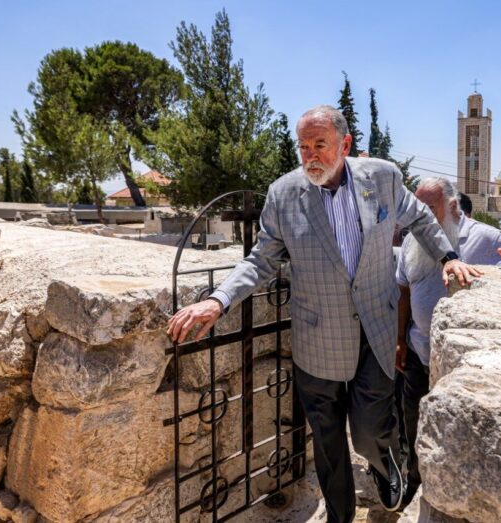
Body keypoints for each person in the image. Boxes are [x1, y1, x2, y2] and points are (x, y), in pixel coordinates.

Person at [167, 105, 481, 522]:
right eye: (303, 147)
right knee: (328, 441)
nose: (310, 155)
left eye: (320, 145)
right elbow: (261, 260)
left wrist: (448, 256)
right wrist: (218, 300)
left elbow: (420, 217)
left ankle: (385, 461)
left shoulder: (382, 177)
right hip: (317, 338)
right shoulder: (283, 194)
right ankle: (339, 515)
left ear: (344, 145)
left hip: (375, 329)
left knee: (369, 430)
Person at [395, 177, 501, 506]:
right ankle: (414, 486)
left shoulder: (486, 238)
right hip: (419, 354)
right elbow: (403, 289)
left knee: (459, 435)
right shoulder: (412, 239)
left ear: (453, 206)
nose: (421, 216)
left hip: (464, 365)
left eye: (429, 208)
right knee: (413, 426)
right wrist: (399, 339)